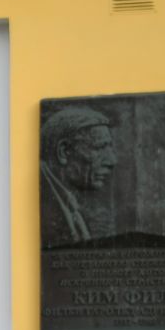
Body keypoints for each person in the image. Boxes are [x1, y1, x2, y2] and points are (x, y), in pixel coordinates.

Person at [40, 105, 120, 245]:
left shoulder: (68, 201)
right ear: (64, 152)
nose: (112, 161)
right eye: (100, 148)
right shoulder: (43, 208)